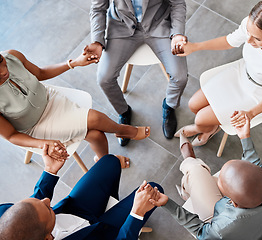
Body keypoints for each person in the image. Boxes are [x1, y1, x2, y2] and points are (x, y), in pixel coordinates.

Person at [173, 0, 262, 146]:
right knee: (193, 105)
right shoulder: (251, 24)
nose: (248, 40)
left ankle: (204, 129)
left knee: (200, 119)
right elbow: (229, 41)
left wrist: (251, 113)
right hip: (240, 72)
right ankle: (210, 126)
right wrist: (195, 47)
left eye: (257, 39)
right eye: (249, 33)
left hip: (256, 94)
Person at [0, 49, 151, 166]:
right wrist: (43, 143)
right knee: (95, 119)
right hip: (36, 128)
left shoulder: (12, 56)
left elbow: (40, 73)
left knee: (96, 135)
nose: (3, 71)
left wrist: (74, 63)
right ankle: (122, 130)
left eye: (0, 61)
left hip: (51, 100)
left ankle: (104, 162)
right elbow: (12, 135)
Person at [150, 113, 262, 239]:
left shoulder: (221, 229)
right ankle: (190, 181)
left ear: (232, 202)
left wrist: (167, 203)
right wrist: (245, 136)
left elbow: (201, 232)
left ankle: (189, 177)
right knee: (205, 177)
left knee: (196, 171)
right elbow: (255, 170)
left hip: (230, 229)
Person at [0, 144, 163, 240]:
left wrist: (49, 171)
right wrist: (136, 214)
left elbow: (31, 212)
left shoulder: (3, 218)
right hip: (103, 236)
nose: (48, 201)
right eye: (49, 210)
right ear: (48, 238)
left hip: (73, 210)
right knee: (156, 190)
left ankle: (112, 201)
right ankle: (121, 212)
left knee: (110, 162)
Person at [86, 0, 188, 143]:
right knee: (104, 78)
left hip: (159, 24)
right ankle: (124, 112)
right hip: (121, 27)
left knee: (180, 76)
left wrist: (177, 33)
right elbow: (97, 9)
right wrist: (97, 41)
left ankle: (169, 106)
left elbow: (177, 3)